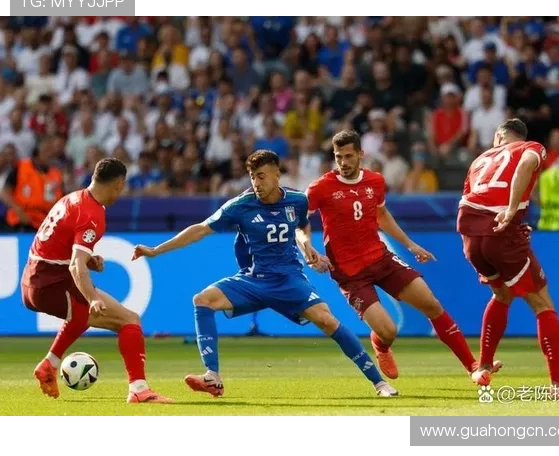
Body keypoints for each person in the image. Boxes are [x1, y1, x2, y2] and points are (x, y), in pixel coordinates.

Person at [131, 149, 398, 398]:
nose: (256, 183)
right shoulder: (240, 205)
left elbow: (302, 225)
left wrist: (307, 245)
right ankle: (213, 376)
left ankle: (379, 383)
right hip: (253, 280)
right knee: (202, 300)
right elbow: (200, 229)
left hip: (289, 280)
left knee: (327, 320)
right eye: (252, 177)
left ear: (276, 175)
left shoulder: (297, 200)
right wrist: (156, 250)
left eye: (261, 176)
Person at [305, 130, 500, 383]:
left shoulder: (375, 181)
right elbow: (300, 222)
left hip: (381, 259)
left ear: (361, 154)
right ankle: (381, 344)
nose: (343, 162)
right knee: (389, 331)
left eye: (349, 156)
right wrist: (307, 247)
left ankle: (472, 366)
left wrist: (410, 245)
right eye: (338, 157)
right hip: (350, 273)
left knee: (431, 305)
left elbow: (382, 215)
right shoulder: (320, 187)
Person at [458, 118, 559, 397]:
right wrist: (510, 211)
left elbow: (469, 202)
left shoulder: (480, 160)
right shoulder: (530, 148)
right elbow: (525, 165)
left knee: (501, 295)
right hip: (500, 230)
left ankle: (483, 367)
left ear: (498, 137)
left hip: (471, 238)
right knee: (543, 304)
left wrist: (505, 225)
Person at [21, 158, 173, 404]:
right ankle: (138, 390)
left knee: (125, 319)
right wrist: (92, 297)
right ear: (118, 184)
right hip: (50, 285)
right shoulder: (92, 214)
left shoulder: (72, 198)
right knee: (101, 314)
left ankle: (50, 364)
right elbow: (75, 265)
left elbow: (58, 245)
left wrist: (89, 260)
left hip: (34, 279)